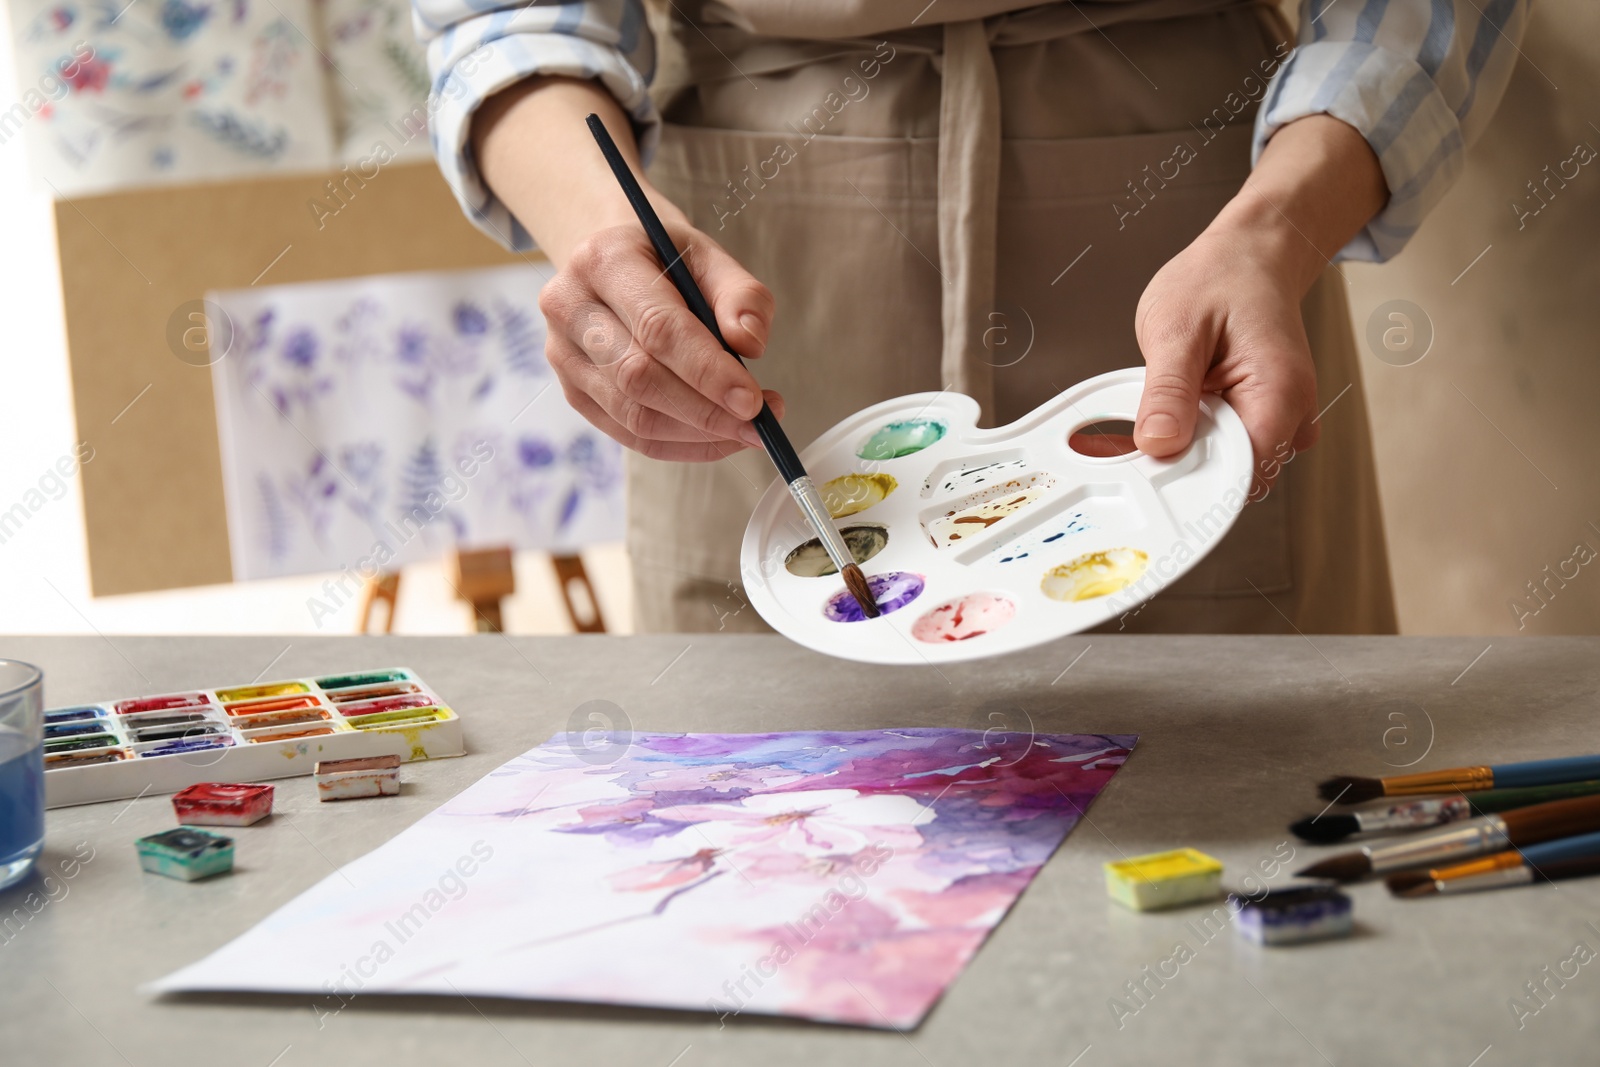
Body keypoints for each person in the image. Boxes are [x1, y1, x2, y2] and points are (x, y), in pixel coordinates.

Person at [415, 0, 1526, 634]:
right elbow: (508, 18)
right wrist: (601, 230)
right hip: (758, 239)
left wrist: (1276, 229)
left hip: (1209, 212)